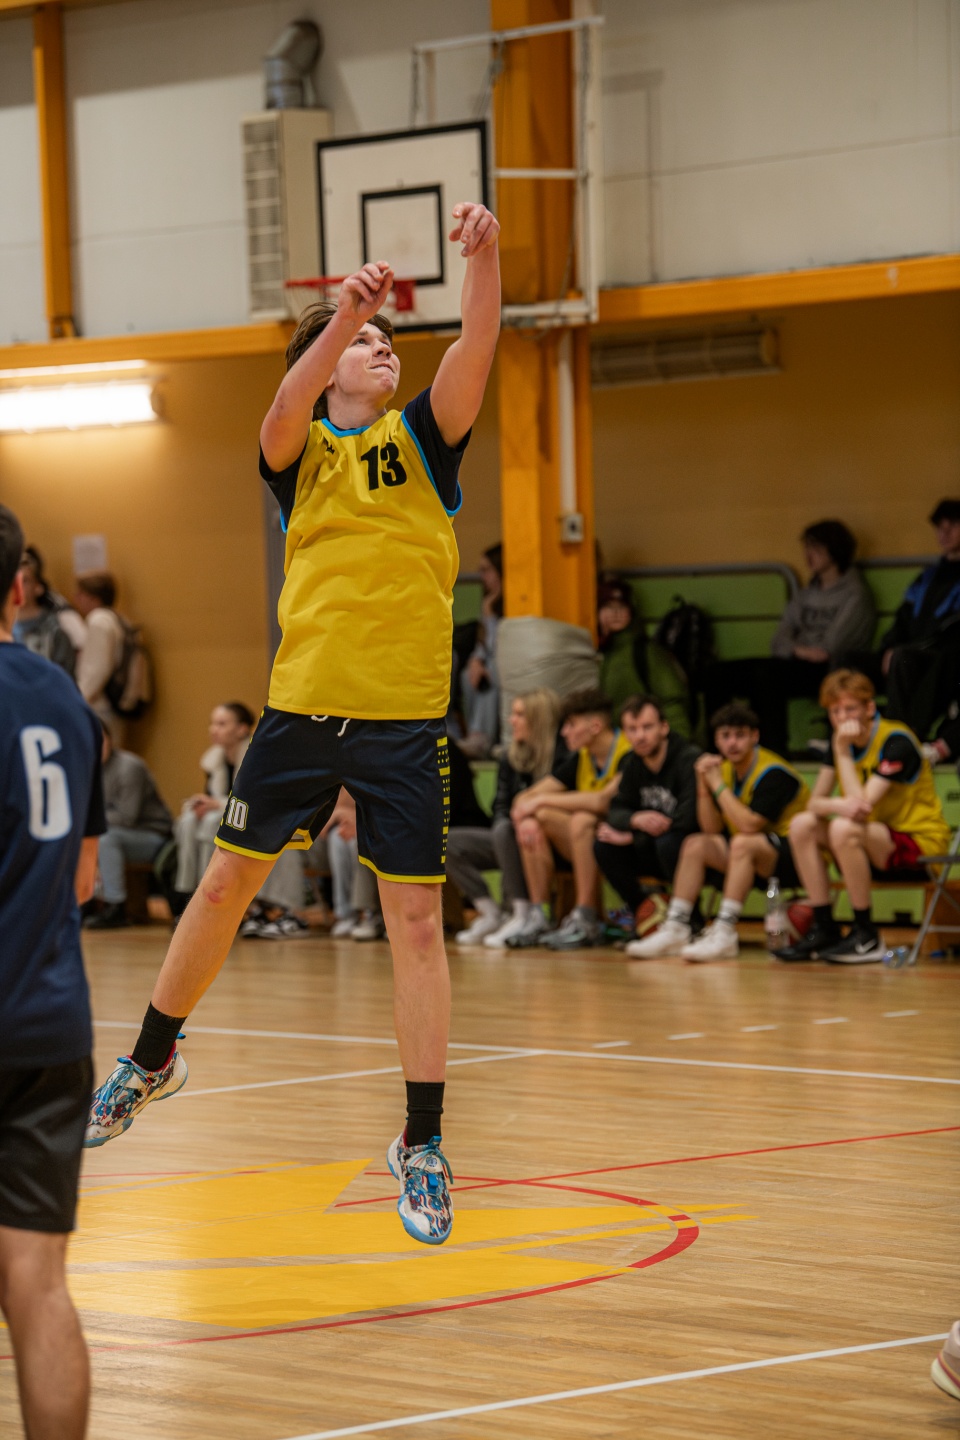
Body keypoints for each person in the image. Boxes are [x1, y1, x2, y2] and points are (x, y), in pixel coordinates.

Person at [84, 201, 502, 1248]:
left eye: (388, 341)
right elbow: (281, 403)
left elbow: (478, 342)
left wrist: (486, 257)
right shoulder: (299, 450)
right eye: (366, 342)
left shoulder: (425, 440)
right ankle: (151, 1058)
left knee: (416, 924)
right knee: (225, 885)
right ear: (327, 367)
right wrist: (340, 315)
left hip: (403, 720)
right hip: (302, 711)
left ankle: (421, 1142)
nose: (383, 350)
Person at [0, 503, 106, 1440]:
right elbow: (82, 876)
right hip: (50, 1023)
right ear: (19, 588)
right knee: (38, 1283)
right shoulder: (64, 698)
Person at [778, 670, 951, 963]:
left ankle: (866, 934)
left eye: (850, 709)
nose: (842, 718)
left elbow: (861, 807)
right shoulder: (840, 742)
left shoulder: (896, 741)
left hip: (920, 847)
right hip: (870, 842)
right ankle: (825, 927)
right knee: (801, 825)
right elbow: (813, 804)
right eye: (835, 711)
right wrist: (836, 803)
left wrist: (842, 753)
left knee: (844, 827)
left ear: (870, 708)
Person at [629, 702, 809, 960]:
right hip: (750, 857)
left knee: (743, 842)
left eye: (740, 735)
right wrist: (703, 786)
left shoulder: (774, 773)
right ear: (716, 740)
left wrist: (716, 784)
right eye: (725, 736)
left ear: (754, 736)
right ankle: (677, 926)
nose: (732, 743)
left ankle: (725, 931)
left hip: (796, 858)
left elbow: (748, 825)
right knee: (695, 844)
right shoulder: (724, 770)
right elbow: (711, 828)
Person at [703, 520, 875, 754]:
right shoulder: (806, 593)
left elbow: (831, 647)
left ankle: (771, 751)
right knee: (717, 674)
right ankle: (716, 751)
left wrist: (798, 648)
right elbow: (778, 640)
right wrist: (799, 650)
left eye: (815, 548)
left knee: (766, 675)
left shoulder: (855, 593)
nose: (808, 554)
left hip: (828, 669)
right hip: (794, 660)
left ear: (834, 550)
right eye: (806, 548)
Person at [507, 687, 631, 950]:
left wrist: (540, 801)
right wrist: (528, 813)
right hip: (595, 843)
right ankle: (540, 915)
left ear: (595, 726)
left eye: (571, 724)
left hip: (627, 842)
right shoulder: (583, 756)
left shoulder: (627, 752)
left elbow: (601, 801)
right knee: (537, 820)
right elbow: (524, 798)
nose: (564, 732)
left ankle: (586, 918)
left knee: (581, 819)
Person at [447, 688, 559, 947]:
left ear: (538, 719)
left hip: (543, 839)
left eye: (519, 715)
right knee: (449, 842)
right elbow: (500, 805)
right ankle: (490, 912)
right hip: (509, 837)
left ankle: (521, 912)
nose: (512, 720)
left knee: (507, 828)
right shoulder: (510, 757)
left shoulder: (560, 757)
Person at [847, 499, 960, 741]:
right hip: (910, 652)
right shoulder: (927, 577)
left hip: (942, 656)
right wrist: (888, 647)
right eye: (940, 528)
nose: (944, 533)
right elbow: (903, 618)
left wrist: (902, 649)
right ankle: (848, 734)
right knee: (848, 661)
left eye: (952, 526)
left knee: (904, 658)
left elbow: (952, 630)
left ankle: (899, 739)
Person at [594, 695, 700, 921]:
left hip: (684, 847)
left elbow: (688, 819)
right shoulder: (631, 762)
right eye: (632, 729)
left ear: (664, 727)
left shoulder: (688, 758)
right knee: (604, 845)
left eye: (647, 727)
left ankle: (692, 919)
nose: (640, 736)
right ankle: (644, 914)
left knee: (670, 843)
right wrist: (635, 820)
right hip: (650, 847)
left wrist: (634, 837)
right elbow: (616, 809)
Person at [84, 725, 172, 929]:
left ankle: (115, 906)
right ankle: (85, 901)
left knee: (105, 838)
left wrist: (87, 820)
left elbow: (127, 817)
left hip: (153, 836)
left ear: (110, 740)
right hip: (117, 832)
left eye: (100, 740)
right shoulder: (87, 769)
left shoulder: (129, 767)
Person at [171, 701, 254, 909]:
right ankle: (187, 893)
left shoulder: (255, 758)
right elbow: (212, 796)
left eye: (221, 724)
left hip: (249, 820)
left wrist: (216, 804)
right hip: (224, 814)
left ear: (242, 729)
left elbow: (253, 802)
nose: (213, 729)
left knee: (212, 821)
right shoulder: (214, 759)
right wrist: (201, 804)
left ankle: (209, 890)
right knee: (189, 820)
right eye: (212, 723)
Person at [597, 576, 691, 737]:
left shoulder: (646, 651)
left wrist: (678, 744)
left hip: (644, 741)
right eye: (608, 607)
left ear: (631, 612)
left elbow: (671, 702)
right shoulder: (596, 653)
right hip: (612, 746)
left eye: (622, 607)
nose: (615, 613)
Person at [458, 542, 503, 758]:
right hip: (490, 660)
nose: (482, 576)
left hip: (504, 663)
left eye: (487, 570)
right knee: (469, 674)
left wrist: (490, 615)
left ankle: (483, 739)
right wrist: (476, 660)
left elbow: (497, 647)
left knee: (491, 672)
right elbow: (483, 645)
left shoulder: (518, 600)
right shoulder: (488, 601)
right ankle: (474, 734)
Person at [13, 545, 86, 677]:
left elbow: (63, 677)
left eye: (25, 581)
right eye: (13, 581)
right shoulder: (5, 628)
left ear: (38, 587)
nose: (17, 587)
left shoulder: (55, 628)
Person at [72, 570, 127, 742]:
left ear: (94, 598)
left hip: (100, 706)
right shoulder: (115, 618)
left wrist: (80, 700)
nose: (76, 598)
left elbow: (97, 669)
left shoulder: (98, 621)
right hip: (112, 702)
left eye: (81, 594)